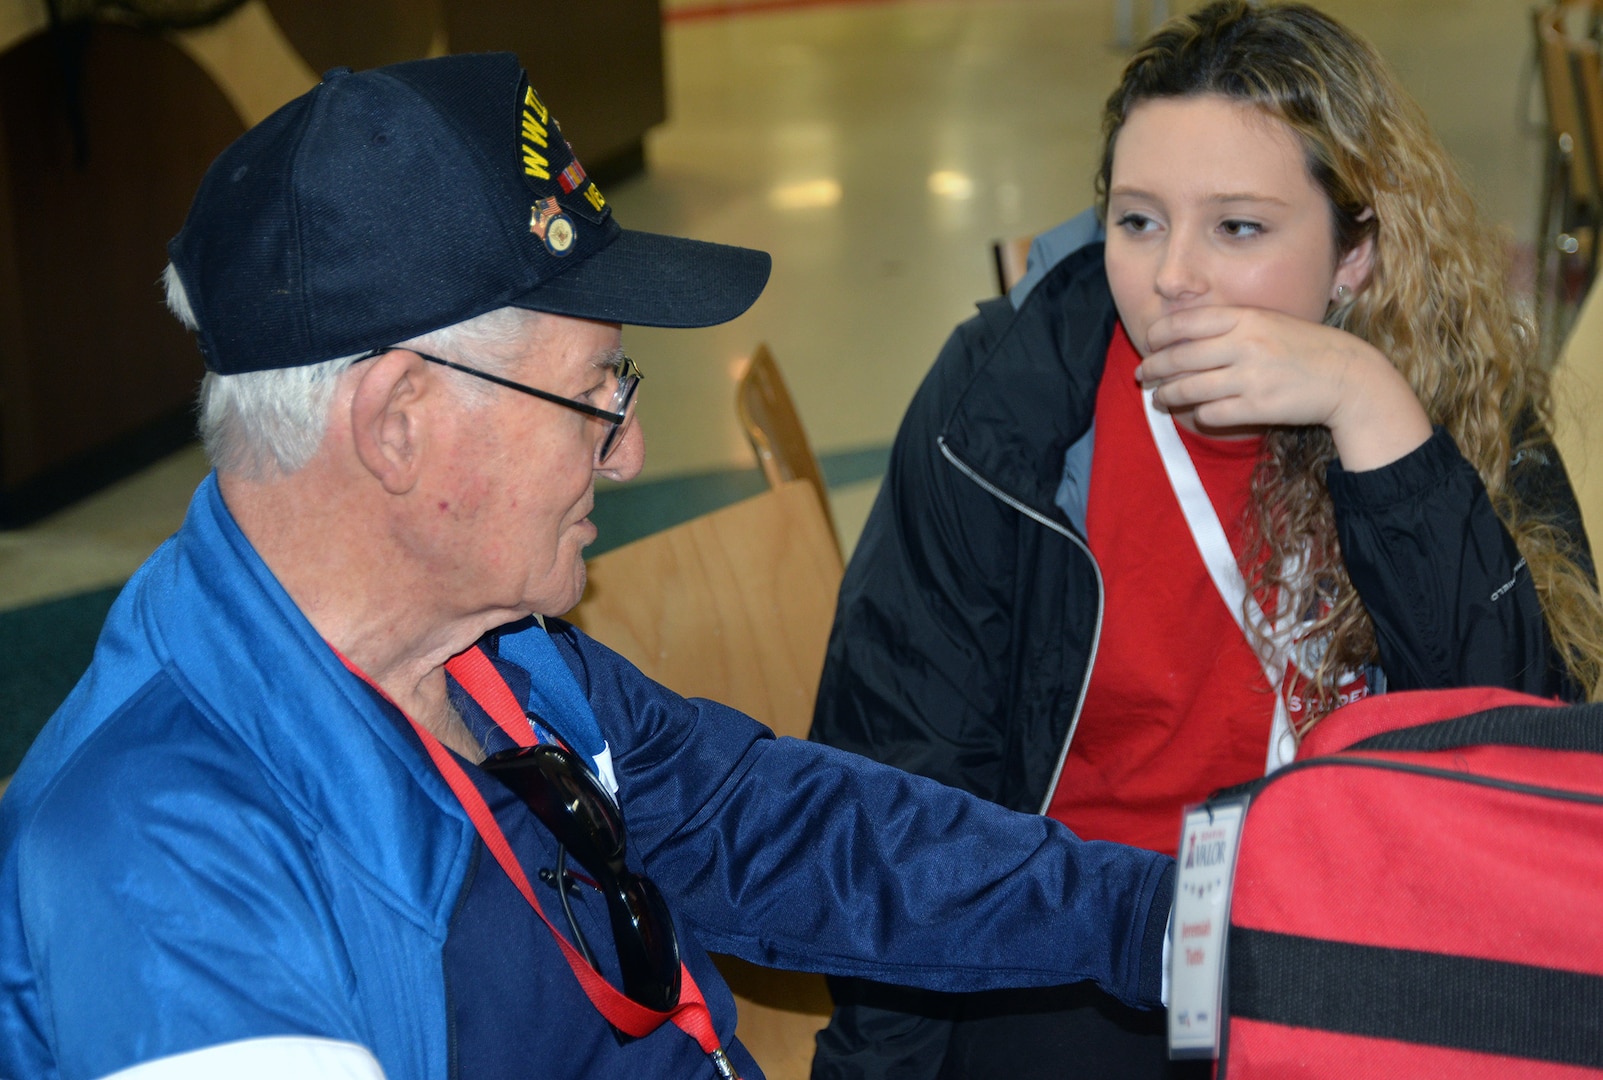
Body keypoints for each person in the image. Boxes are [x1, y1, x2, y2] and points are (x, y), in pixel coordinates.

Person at [0, 54, 1176, 1080]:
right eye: (593, 394)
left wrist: (1162, 923)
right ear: (399, 421)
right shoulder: (161, 865)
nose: (632, 452)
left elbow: (779, 826)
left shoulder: (488, 655)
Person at [809, 2, 1603, 1078]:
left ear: (1355, 252)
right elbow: (897, 791)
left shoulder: (1446, 401)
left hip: (1363, 937)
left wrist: (1371, 413)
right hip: (1075, 942)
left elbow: (1521, 767)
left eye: (1237, 227)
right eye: (1137, 221)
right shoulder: (1003, 409)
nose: (1172, 275)